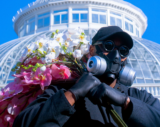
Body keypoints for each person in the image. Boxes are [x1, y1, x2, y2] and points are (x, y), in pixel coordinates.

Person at [13, 26, 160, 127]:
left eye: (123, 51)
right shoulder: (63, 89)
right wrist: (73, 94)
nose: (116, 56)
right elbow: (24, 123)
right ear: (92, 50)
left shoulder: (138, 97)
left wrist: (126, 103)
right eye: (108, 46)